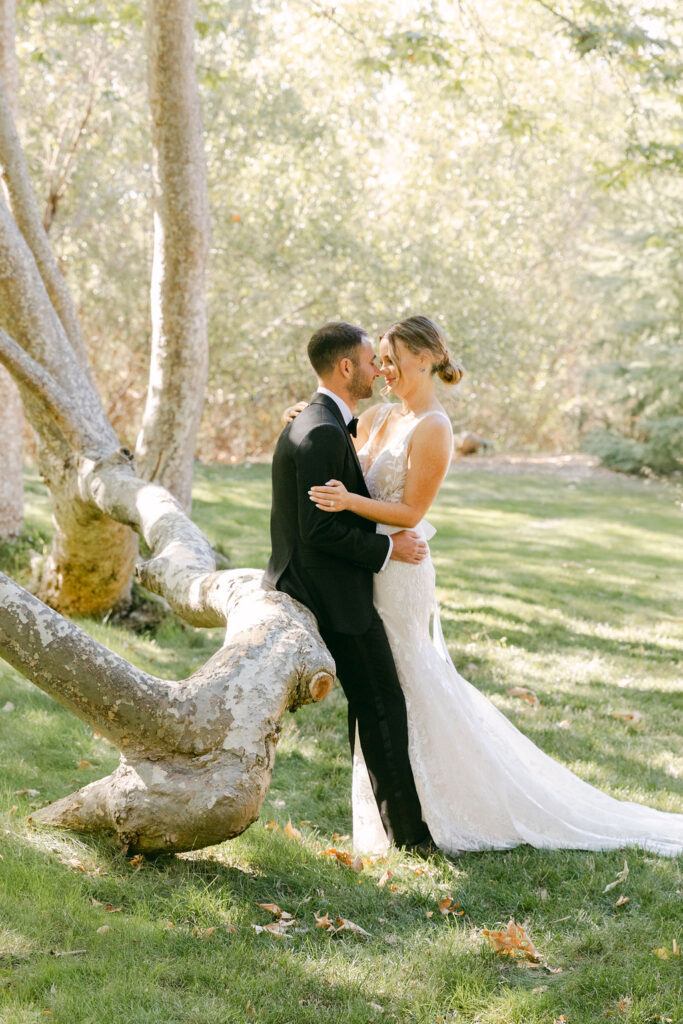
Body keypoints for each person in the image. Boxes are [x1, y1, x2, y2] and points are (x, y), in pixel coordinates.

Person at [304, 315, 683, 857]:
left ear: (424, 358)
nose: (382, 370)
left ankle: (448, 808)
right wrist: (306, 418)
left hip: (401, 568)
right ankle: (401, 812)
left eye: (390, 359)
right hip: (371, 565)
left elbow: (411, 509)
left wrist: (349, 502)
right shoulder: (381, 416)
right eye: (379, 360)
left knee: (411, 681)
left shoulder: (435, 427)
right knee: (385, 688)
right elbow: (340, 449)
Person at [263, 321, 434, 851]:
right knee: (381, 701)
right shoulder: (318, 430)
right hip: (330, 591)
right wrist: (386, 549)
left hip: (333, 583)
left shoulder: (324, 423)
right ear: (346, 368)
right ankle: (409, 837)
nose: (377, 369)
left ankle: (390, 827)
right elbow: (317, 532)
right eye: (370, 360)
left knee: (375, 701)